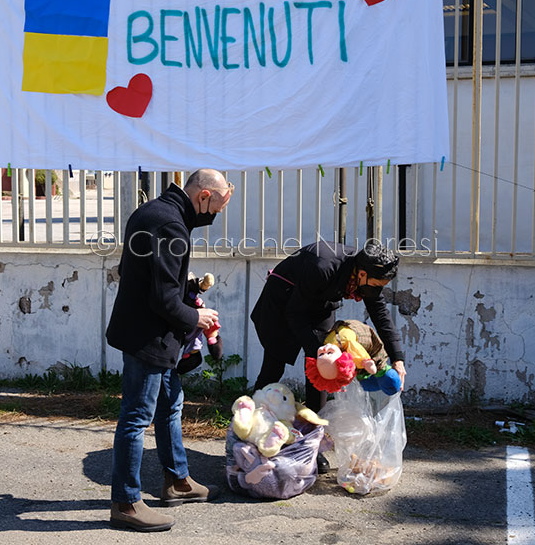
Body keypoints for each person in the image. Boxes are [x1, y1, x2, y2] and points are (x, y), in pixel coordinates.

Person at [106, 169, 233, 532]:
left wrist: (187, 286)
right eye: (218, 207)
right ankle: (126, 503)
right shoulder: (170, 224)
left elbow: (153, 275)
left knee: (170, 404)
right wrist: (198, 316)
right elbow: (162, 298)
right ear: (204, 196)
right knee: (136, 417)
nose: (215, 216)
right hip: (149, 336)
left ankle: (176, 481)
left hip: (148, 331)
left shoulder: (155, 212)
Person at [249, 240, 406, 473]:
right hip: (283, 303)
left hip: (320, 304)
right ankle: (250, 431)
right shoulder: (323, 265)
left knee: (322, 379)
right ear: (361, 274)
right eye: (376, 285)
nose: (376, 290)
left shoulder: (366, 274)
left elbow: (380, 313)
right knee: (273, 368)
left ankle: (311, 446)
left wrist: (397, 358)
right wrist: (321, 354)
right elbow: (295, 313)